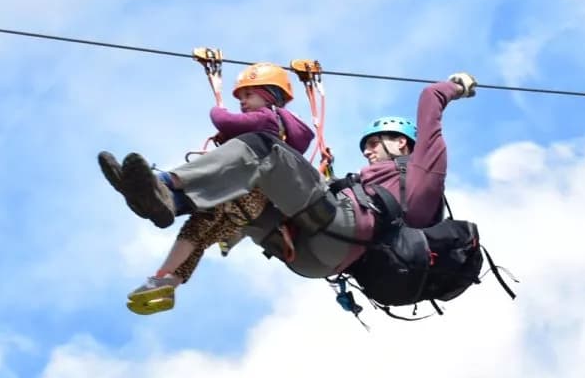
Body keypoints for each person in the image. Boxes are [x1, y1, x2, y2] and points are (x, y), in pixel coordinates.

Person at [100, 70, 477, 293]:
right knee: (236, 203)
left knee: (265, 149)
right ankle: (168, 270)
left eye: (377, 142)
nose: (368, 150)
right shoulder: (378, 187)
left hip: (338, 233)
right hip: (312, 255)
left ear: (405, 143)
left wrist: (457, 85)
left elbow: (431, 97)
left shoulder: (426, 169)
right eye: (367, 145)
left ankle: (167, 186)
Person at [99, 62, 314, 313]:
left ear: (269, 96)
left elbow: (224, 120)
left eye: (248, 95)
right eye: (241, 97)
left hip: (237, 189)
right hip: (250, 208)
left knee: (198, 191)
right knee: (197, 235)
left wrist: (217, 110)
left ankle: (161, 187)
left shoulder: (267, 117)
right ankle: (165, 281)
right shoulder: (278, 131)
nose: (243, 102)